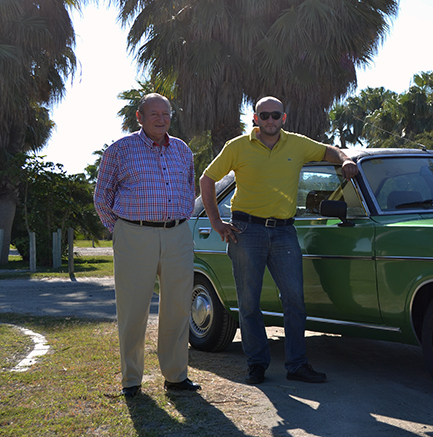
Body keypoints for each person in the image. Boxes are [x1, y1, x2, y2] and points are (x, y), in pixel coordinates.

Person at [199, 96, 358, 385]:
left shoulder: (296, 143)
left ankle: (297, 364)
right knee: (248, 302)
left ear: (284, 118)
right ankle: (257, 364)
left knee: (295, 300)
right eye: (264, 115)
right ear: (255, 118)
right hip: (247, 231)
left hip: (285, 231)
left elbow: (329, 151)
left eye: (275, 115)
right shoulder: (236, 146)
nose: (270, 120)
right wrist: (216, 222)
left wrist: (346, 159)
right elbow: (207, 179)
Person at [93, 93, 201, 398]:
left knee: (179, 307)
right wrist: (120, 231)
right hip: (134, 234)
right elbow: (102, 196)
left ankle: (176, 376)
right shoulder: (121, 149)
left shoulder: (182, 150)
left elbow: (188, 189)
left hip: (177, 234)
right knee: (133, 309)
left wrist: (181, 223)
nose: (161, 119)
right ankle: (131, 380)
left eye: (165, 113)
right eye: (153, 113)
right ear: (139, 117)